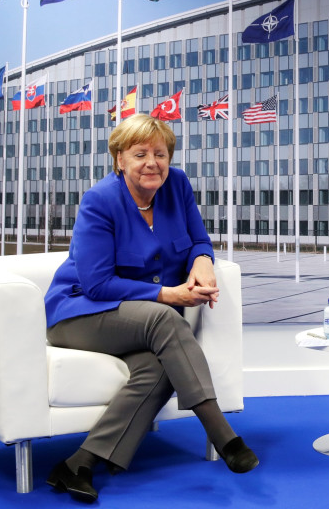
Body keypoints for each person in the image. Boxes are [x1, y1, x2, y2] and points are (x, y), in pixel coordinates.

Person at [43, 114, 258, 503]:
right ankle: (223, 436)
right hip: (80, 312)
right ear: (119, 159)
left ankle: (78, 464)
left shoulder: (177, 185)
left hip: (137, 322)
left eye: (160, 154)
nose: (152, 163)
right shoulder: (100, 200)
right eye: (139, 154)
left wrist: (203, 262)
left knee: (159, 367)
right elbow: (96, 283)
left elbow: (198, 240)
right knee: (164, 317)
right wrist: (169, 296)